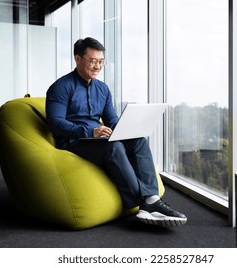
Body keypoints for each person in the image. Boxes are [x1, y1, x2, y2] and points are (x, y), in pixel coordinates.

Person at [46, 37, 187, 227]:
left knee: (138, 141)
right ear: (78, 59)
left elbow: (111, 119)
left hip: (97, 139)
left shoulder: (102, 89)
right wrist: (90, 131)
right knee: (114, 147)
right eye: (93, 61)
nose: (98, 66)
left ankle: (152, 200)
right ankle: (145, 203)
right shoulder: (61, 87)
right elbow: (55, 123)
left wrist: (127, 128)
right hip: (73, 141)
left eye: (101, 61)